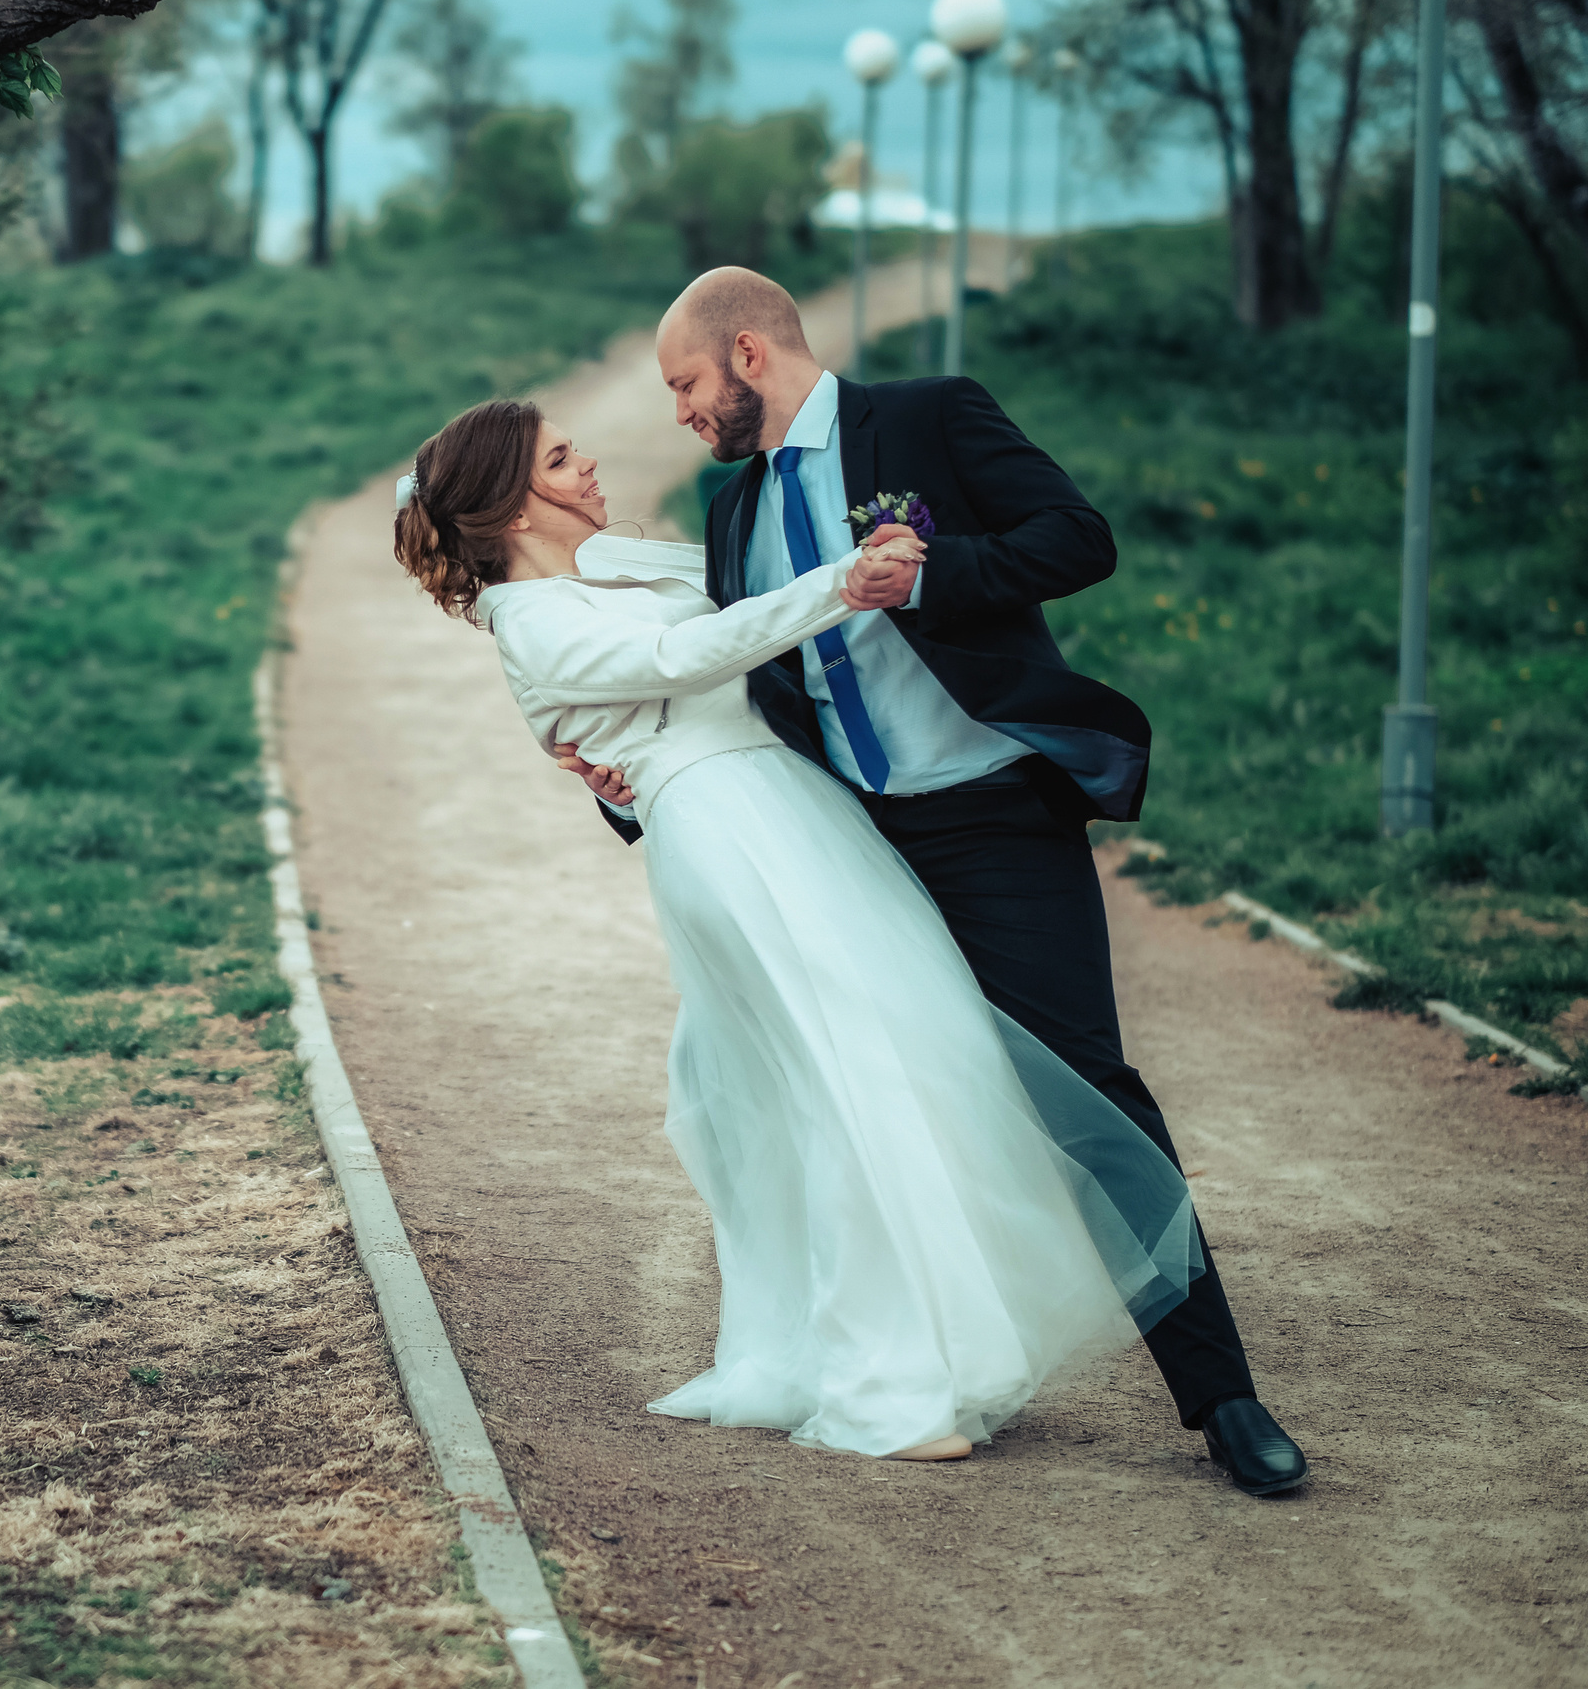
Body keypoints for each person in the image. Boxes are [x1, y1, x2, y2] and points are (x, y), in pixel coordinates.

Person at [543, 265, 1302, 1494]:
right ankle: (933, 1367)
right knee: (870, 1099)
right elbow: (727, 682)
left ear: (748, 354)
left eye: (686, 384)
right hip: (845, 840)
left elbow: (1077, 540)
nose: (679, 413)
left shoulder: (928, 416)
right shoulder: (731, 511)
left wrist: (933, 574)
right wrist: (619, 781)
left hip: (993, 820)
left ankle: (1222, 1399)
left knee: (1089, 1087)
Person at [391, 396, 1214, 1463]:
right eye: (559, 457)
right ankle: (885, 1383)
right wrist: (840, 586)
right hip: (732, 839)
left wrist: (871, 561)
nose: (587, 461)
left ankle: (933, 1350)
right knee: (837, 1077)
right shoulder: (531, 619)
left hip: (791, 808)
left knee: (895, 1061)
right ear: (512, 504)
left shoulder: (615, 566)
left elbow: (739, 597)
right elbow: (690, 654)